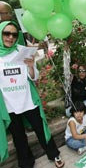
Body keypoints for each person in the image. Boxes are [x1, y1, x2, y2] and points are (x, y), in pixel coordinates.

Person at [0, 21, 64, 168]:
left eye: (14, 34)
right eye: (6, 33)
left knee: (41, 129)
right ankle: (26, 162)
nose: (10, 37)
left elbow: (34, 77)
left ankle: (54, 154)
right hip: (9, 105)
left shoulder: (22, 51)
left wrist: (30, 66)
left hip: (28, 101)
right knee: (18, 137)